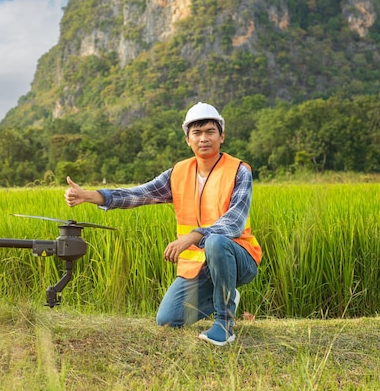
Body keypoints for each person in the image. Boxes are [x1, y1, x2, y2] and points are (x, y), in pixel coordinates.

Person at [64, 102, 262, 346]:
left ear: (222, 136)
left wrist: (193, 236)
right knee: (168, 319)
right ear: (187, 139)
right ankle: (226, 292)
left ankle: (224, 322)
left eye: (210, 132)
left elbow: (234, 221)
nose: (204, 138)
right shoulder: (178, 173)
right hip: (199, 266)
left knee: (217, 241)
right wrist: (91, 195)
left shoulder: (239, 171)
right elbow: (139, 194)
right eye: (196, 133)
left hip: (239, 257)